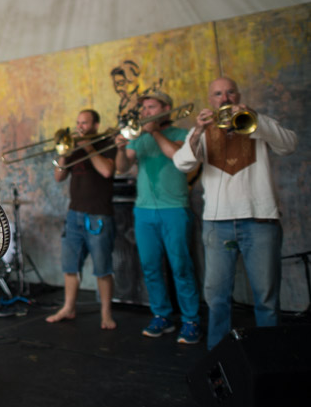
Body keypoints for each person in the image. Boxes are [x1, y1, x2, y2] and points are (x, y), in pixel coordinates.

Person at [172, 77, 297, 350]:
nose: (225, 98)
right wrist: (197, 131)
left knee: (266, 298)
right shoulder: (202, 131)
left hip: (260, 221)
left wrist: (255, 119)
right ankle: (219, 356)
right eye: (218, 94)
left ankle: (270, 356)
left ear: (238, 96)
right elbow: (182, 164)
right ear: (210, 100)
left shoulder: (257, 121)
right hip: (218, 225)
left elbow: (289, 145)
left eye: (230, 92)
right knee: (217, 298)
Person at [114, 91, 201, 344]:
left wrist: (154, 132)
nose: (145, 113)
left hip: (174, 209)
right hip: (143, 211)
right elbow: (121, 167)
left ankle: (191, 320)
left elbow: (177, 155)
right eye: (143, 109)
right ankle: (161, 315)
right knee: (150, 266)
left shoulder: (182, 133)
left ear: (166, 108)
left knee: (181, 266)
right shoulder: (138, 137)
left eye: (151, 107)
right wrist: (120, 148)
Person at [45, 109, 117, 329]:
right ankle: (68, 308)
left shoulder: (107, 143)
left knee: (102, 268)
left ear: (95, 125)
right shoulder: (72, 147)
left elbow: (107, 171)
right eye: (78, 123)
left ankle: (106, 313)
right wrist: (64, 152)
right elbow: (59, 176)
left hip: (99, 215)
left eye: (84, 123)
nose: (80, 127)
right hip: (74, 214)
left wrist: (89, 148)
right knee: (70, 266)